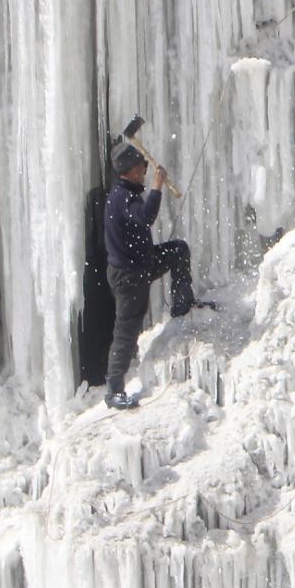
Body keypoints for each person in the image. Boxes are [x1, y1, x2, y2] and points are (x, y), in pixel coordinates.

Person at [103, 143, 211, 409]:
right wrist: (157, 185)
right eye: (142, 166)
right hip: (129, 276)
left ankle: (182, 304)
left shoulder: (125, 191)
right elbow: (146, 216)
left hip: (142, 264)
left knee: (178, 250)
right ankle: (113, 390)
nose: (145, 169)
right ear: (130, 171)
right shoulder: (123, 197)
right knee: (126, 329)